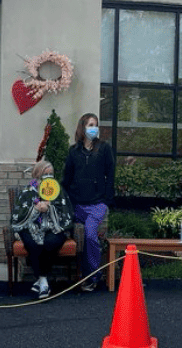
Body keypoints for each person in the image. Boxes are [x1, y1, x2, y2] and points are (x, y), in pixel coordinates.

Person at [63, 112, 115, 292]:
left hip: (97, 204)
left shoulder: (104, 148)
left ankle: (93, 276)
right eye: (90, 124)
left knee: (91, 234)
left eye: (96, 125)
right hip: (77, 205)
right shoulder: (73, 151)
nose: (94, 128)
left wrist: (107, 200)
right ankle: (80, 276)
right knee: (78, 237)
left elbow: (111, 175)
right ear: (82, 128)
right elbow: (66, 178)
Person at [10, 160, 72, 299]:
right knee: (34, 244)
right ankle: (43, 281)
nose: (48, 177)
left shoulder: (58, 190)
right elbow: (18, 216)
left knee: (49, 243)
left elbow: (65, 212)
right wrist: (35, 209)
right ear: (37, 175)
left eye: (51, 174)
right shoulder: (28, 191)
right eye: (45, 174)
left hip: (53, 227)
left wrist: (50, 208)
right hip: (30, 227)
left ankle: (41, 280)